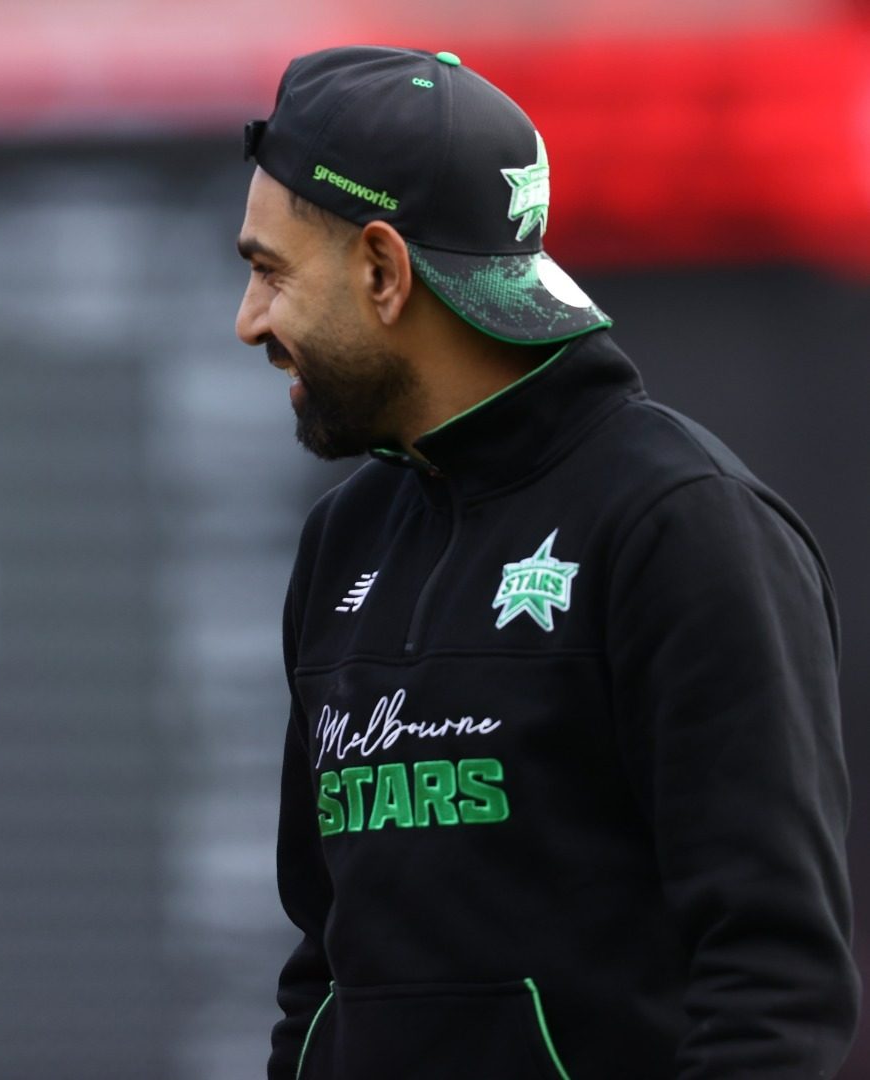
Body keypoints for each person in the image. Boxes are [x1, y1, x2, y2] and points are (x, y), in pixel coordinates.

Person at [235, 46, 857, 1078]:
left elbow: (774, 986)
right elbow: (321, 969)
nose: (249, 321)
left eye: (269, 272)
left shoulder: (679, 525)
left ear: (383, 271)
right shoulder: (343, 538)